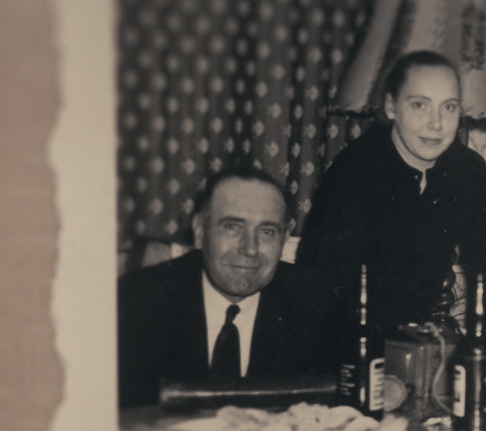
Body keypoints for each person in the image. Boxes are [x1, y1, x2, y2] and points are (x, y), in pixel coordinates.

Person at [297, 50, 486, 334]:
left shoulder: (469, 170)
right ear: (392, 107)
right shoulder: (356, 170)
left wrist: (483, 337)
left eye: (448, 107)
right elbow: (323, 284)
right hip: (341, 338)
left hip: (413, 338)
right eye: (420, 105)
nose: (436, 124)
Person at [118, 169, 340, 407]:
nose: (250, 248)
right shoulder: (137, 300)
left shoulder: (317, 304)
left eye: (267, 231)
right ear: (200, 231)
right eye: (232, 227)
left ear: (284, 239)